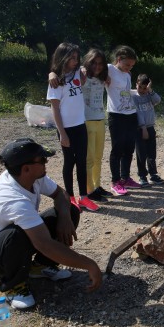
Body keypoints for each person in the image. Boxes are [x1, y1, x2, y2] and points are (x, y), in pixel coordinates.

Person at [0, 138, 103, 309]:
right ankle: (14, 286)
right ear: (26, 168)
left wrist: (64, 218)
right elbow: (44, 244)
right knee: (16, 235)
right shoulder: (12, 198)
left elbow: (60, 194)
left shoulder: (33, 176)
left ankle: (39, 267)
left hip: (16, 239)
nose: (46, 163)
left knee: (70, 210)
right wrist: (89, 264)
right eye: (43, 160)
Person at [47, 43, 99, 212]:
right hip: (66, 129)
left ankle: (83, 197)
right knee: (69, 162)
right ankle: (70, 197)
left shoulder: (77, 72)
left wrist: (83, 69)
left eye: (77, 58)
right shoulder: (55, 81)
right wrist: (62, 133)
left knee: (82, 161)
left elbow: (87, 69)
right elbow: (55, 109)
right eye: (72, 58)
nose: (76, 61)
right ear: (63, 57)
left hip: (80, 126)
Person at [105, 45, 141, 195]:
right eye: (127, 64)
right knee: (117, 149)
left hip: (131, 114)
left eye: (132, 65)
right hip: (116, 115)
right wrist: (52, 74)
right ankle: (115, 182)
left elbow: (125, 92)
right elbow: (87, 68)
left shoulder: (127, 75)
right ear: (119, 59)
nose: (129, 68)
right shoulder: (109, 69)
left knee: (129, 148)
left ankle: (125, 178)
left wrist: (138, 92)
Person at [81, 49, 113, 202]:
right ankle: (89, 189)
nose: (97, 66)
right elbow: (60, 71)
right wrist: (52, 74)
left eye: (100, 63)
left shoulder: (102, 78)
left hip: (100, 119)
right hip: (85, 121)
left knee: (98, 157)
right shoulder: (81, 75)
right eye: (94, 62)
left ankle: (97, 186)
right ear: (88, 61)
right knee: (89, 158)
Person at [132, 74, 164, 186]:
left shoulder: (149, 95)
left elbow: (158, 100)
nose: (142, 90)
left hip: (151, 127)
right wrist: (143, 127)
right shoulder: (134, 97)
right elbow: (138, 112)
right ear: (136, 84)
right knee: (141, 153)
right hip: (141, 129)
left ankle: (153, 175)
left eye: (144, 88)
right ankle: (142, 176)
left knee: (151, 153)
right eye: (140, 87)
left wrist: (150, 90)